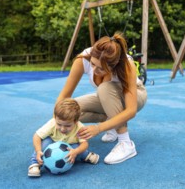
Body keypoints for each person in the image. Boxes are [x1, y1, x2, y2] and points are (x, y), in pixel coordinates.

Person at [56, 32, 147, 165]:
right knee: (71, 109)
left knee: (104, 88)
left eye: (101, 68)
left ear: (113, 65)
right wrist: (56, 122)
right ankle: (112, 123)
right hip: (107, 98)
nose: (95, 70)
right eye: (93, 64)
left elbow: (131, 110)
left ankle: (126, 143)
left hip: (136, 96)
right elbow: (64, 97)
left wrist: (98, 128)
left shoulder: (126, 64)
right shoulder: (82, 59)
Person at [28, 98, 99, 177]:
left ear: (76, 121)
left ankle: (85, 155)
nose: (62, 129)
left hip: (70, 146)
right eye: (59, 124)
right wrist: (38, 151)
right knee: (44, 144)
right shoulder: (52, 123)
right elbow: (36, 136)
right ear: (55, 118)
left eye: (68, 126)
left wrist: (76, 151)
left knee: (78, 148)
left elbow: (84, 144)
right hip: (52, 142)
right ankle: (35, 163)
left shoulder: (80, 127)